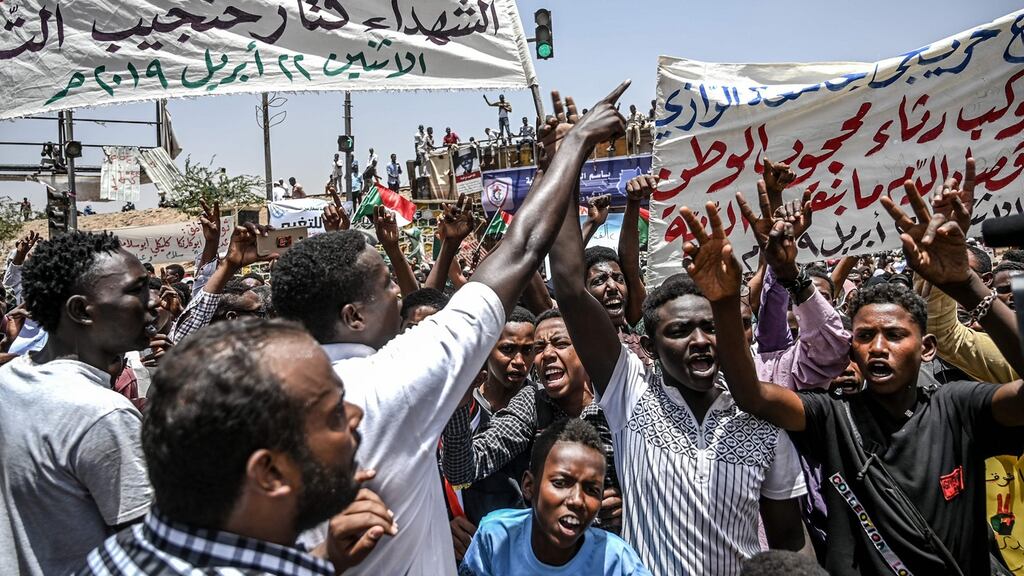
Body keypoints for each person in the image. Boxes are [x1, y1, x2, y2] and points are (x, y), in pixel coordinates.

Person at [270, 81, 629, 575]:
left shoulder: (257, 404)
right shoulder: (390, 381)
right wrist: (574, 145)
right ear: (353, 315)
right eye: (385, 284)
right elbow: (521, 249)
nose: (400, 291)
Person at [676, 174, 1024, 575]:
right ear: (850, 348)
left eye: (894, 335)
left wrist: (966, 284)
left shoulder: (959, 405)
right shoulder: (833, 415)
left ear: (927, 348)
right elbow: (752, 395)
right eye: (865, 336)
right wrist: (722, 303)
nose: (878, 347)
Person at [550, 159, 808, 573]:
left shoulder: (761, 419)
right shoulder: (630, 393)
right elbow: (567, 283)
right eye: (681, 331)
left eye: (710, 327)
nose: (701, 341)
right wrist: (566, 154)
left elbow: (790, 543)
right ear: (650, 346)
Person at [76, 319, 390, 575]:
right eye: (334, 413)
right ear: (269, 472)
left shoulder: (119, 552)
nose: (355, 415)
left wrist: (326, 558)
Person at [0, 232, 155, 576]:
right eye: (136, 289)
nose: (154, 301)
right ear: (82, 311)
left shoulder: (9, 380)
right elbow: (144, 555)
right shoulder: (102, 414)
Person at [442, 308, 623, 533]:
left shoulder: (618, 401)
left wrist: (630, 500)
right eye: (539, 347)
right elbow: (462, 471)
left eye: (560, 343)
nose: (547, 354)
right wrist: (459, 403)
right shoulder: (533, 402)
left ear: (586, 349)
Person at [458, 419, 650, 576]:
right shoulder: (496, 538)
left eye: (591, 490)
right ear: (529, 486)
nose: (576, 500)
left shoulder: (616, 560)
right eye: (560, 483)